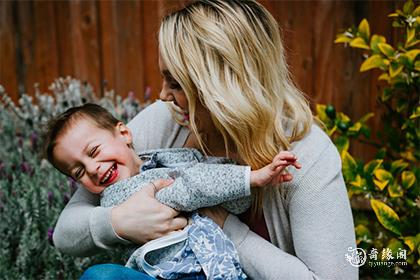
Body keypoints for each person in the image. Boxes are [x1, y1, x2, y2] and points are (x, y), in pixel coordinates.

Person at [52, 0, 358, 279]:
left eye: (176, 84)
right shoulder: (166, 120)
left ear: (224, 86)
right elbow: (66, 232)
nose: (162, 95)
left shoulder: (307, 154)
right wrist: (119, 222)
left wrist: (225, 227)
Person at [45, 103, 300, 279]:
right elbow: (187, 189)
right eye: (78, 172)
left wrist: (236, 185)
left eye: (93, 152)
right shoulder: (119, 196)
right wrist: (252, 177)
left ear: (124, 133)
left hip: (219, 267)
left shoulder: (165, 160)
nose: (92, 168)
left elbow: (232, 203)